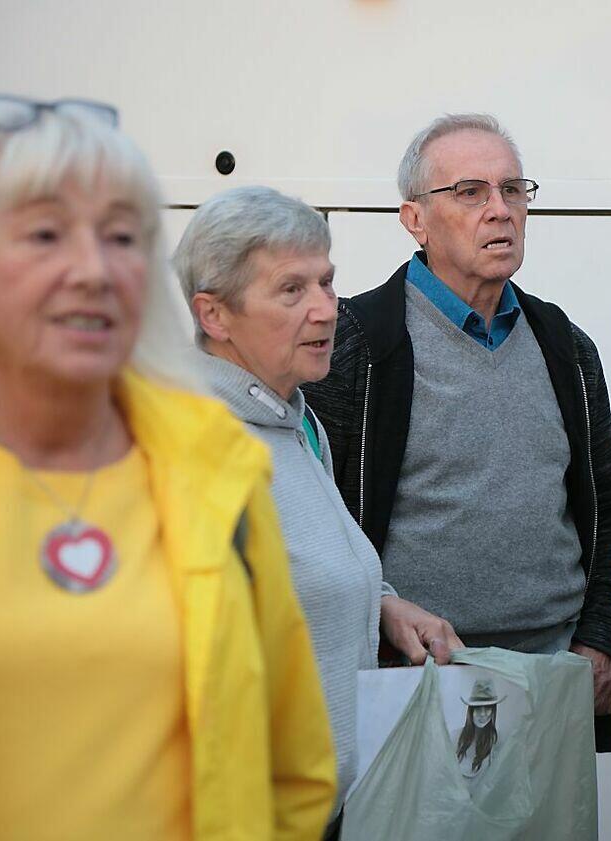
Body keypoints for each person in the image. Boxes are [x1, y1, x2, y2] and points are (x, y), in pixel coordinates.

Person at [0, 95, 334, 841]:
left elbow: (295, 769)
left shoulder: (217, 473)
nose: (93, 269)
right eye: (45, 234)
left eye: (120, 237)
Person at [303, 113, 611, 751]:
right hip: (404, 685)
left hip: (552, 680)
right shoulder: (355, 345)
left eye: (513, 190)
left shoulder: (565, 346)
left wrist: (604, 640)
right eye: (470, 192)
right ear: (415, 219)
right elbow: (311, 523)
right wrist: (378, 615)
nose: (500, 210)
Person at [173, 185, 461, 831]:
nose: (326, 310)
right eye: (291, 290)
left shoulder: (298, 422)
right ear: (214, 315)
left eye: (326, 282)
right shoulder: (191, 445)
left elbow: (305, 565)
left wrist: (380, 602)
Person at [453, 680, 506, 778]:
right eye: (477, 708)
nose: (482, 714)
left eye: (488, 708)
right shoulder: (455, 737)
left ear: (493, 710)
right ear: (470, 711)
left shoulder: (498, 741)